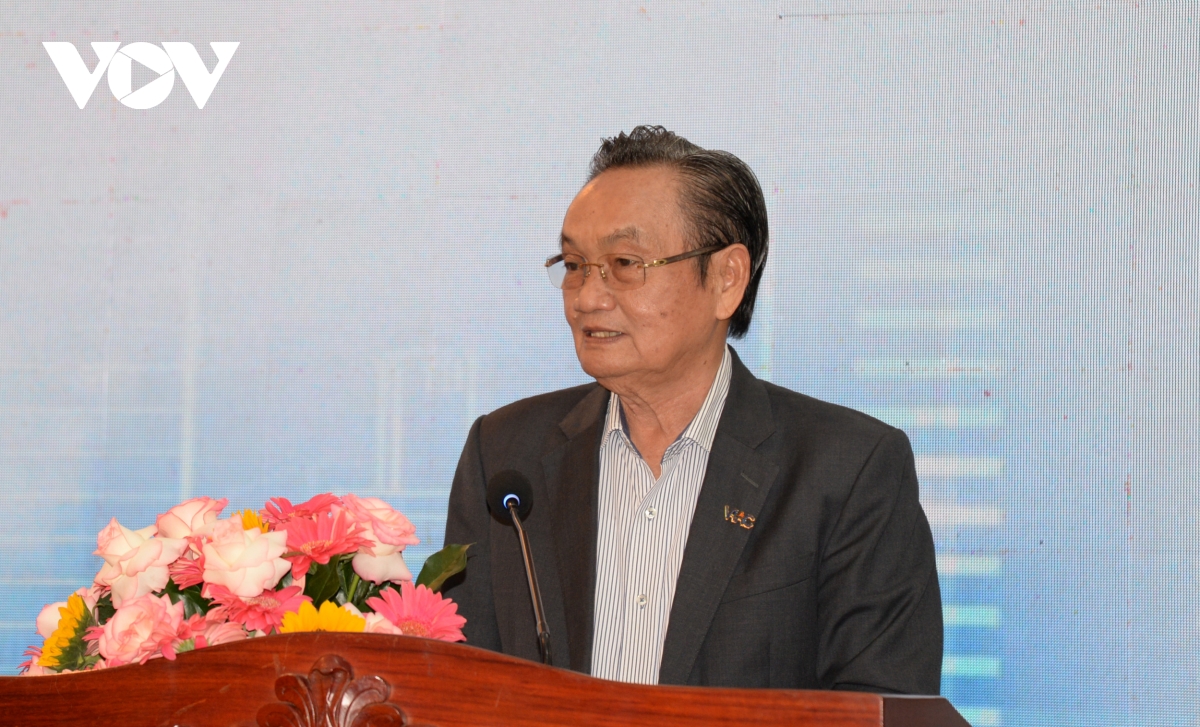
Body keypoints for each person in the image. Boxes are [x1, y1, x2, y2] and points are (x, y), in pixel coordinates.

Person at [442, 126, 942, 693]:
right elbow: (454, 687)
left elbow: (883, 704)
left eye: (624, 263)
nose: (586, 297)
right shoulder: (505, 456)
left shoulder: (847, 470)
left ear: (727, 279)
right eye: (575, 264)